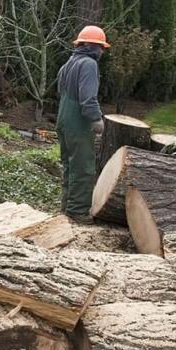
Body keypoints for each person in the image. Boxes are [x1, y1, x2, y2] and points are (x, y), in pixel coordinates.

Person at [56, 25, 109, 219]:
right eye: (99, 46)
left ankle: (66, 206)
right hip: (78, 122)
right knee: (83, 167)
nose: (101, 51)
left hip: (63, 118)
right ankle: (77, 211)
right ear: (87, 45)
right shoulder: (88, 64)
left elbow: (60, 91)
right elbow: (88, 98)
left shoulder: (69, 63)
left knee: (69, 165)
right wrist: (96, 119)